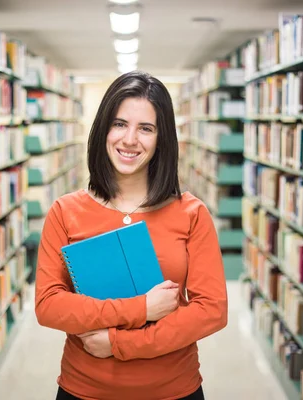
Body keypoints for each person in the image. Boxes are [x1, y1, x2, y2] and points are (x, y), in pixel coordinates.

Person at [35, 70, 228, 400]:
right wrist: (141, 309)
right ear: (103, 130)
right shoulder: (65, 212)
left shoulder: (191, 213)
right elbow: (49, 306)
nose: (129, 139)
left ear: (162, 138)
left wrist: (118, 344)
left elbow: (211, 310)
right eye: (119, 124)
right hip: (85, 389)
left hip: (172, 390)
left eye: (146, 129)